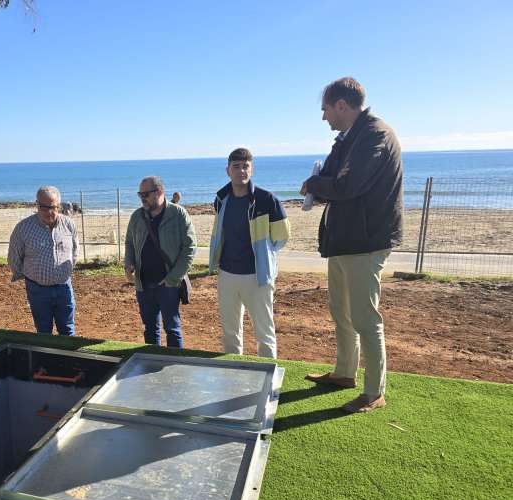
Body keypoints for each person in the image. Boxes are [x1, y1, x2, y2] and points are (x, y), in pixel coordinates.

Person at [300, 77, 403, 413]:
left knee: (364, 316)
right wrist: (326, 181)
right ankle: (345, 373)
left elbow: (348, 185)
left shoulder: (375, 134)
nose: (324, 117)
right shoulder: (347, 138)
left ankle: (374, 392)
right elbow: (334, 176)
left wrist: (318, 183)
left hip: (365, 241)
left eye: (326, 109)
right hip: (344, 241)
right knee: (341, 311)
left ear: (341, 105)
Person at [209, 148, 290, 358]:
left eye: (245, 166)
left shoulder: (266, 200)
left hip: (258, 276)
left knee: (264, 333)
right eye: (236, 167)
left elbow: (281, 237)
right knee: (230, 332)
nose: (241, 171)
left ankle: (268, 378)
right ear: (228, 170)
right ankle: (233, 374)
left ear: (251, 169)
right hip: (227, 274)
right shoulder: (221, 199)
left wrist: (264, 255)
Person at [124, 176, 196, 348]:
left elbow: (190, 248)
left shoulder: (178, 214)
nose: (142, 198)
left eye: (146, 194)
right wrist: (128, 264)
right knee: (150, 329)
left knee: (172, 329)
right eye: (140, 194)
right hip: (143, 284)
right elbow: (129, 243)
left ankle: (175, 367)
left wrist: (173, 278)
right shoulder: (137, 216)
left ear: (160, 192)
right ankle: (152, 363)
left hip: (168, 284)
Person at [8, 186, 79, 335]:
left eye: (52, 207)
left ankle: (68, 359)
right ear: (37, 205)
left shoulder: (69, 225)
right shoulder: (23, 228)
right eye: (43, 207)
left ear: (59, 206)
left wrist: (65, 272)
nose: (48, 212)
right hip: (37, 290)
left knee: (68, 330)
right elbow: (14, 259)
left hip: (64, 288)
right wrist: (30, 277)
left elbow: (74, 252)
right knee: (43, 332)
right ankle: (47, 359)